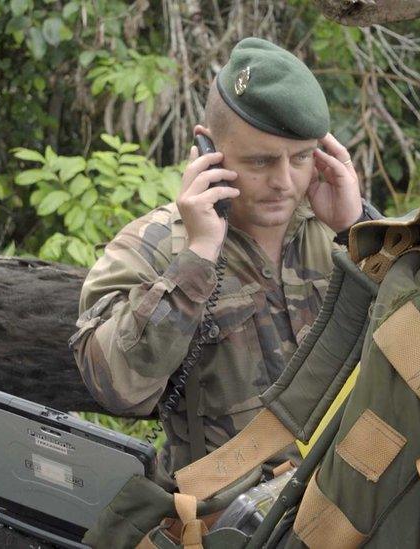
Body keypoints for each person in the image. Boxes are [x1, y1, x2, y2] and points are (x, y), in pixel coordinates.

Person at [68, 37, 379, 484]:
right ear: (207, 148)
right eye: (260, 162)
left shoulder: (340, 228)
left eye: (301, 158)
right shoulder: (156, 245)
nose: (284, 182)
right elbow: (116, 387)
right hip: (230, 520)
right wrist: (196, 260)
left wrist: (360, 231)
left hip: (351, 501)